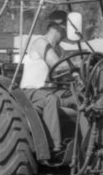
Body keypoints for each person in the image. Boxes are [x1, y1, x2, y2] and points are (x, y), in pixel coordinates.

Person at [20, 9, 72, 153]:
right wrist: (78, 63)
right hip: (31, 92)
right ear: (59, 27)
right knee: (51, 100)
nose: (69, 32)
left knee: (80, 97)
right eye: (68, 28)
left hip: (50, 91)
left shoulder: (60, 49)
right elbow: (58, 65)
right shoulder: (40, 43)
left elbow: (67, 73)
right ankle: (54, 147)